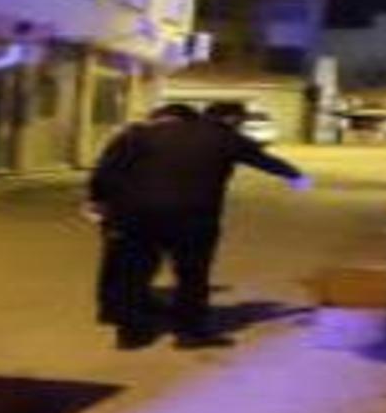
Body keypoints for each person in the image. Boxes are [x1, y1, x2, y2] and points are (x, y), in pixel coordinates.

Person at [90, 101, 310, 350]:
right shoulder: (223, 136)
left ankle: (131, 334)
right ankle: (189, 332)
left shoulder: (138, 134)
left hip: (137, 214)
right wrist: (296, 176)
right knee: (192, 275)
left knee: (133, 273)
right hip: (193, 216)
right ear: (231, 119)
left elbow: (106, 170)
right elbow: (263, 160)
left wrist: (99, 200)